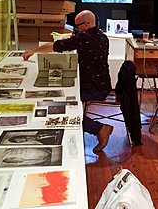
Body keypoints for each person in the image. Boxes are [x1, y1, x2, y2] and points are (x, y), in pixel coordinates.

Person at [23, 10, 113, 153]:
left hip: (94, 88)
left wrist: (34, 50)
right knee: (60, 104)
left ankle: (100, 129)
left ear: (87, 23)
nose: (76, 29)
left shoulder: (86, 38)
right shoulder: (100, 36)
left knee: (62, 108)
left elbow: (57, 46)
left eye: (78, 26)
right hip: (99, 83)